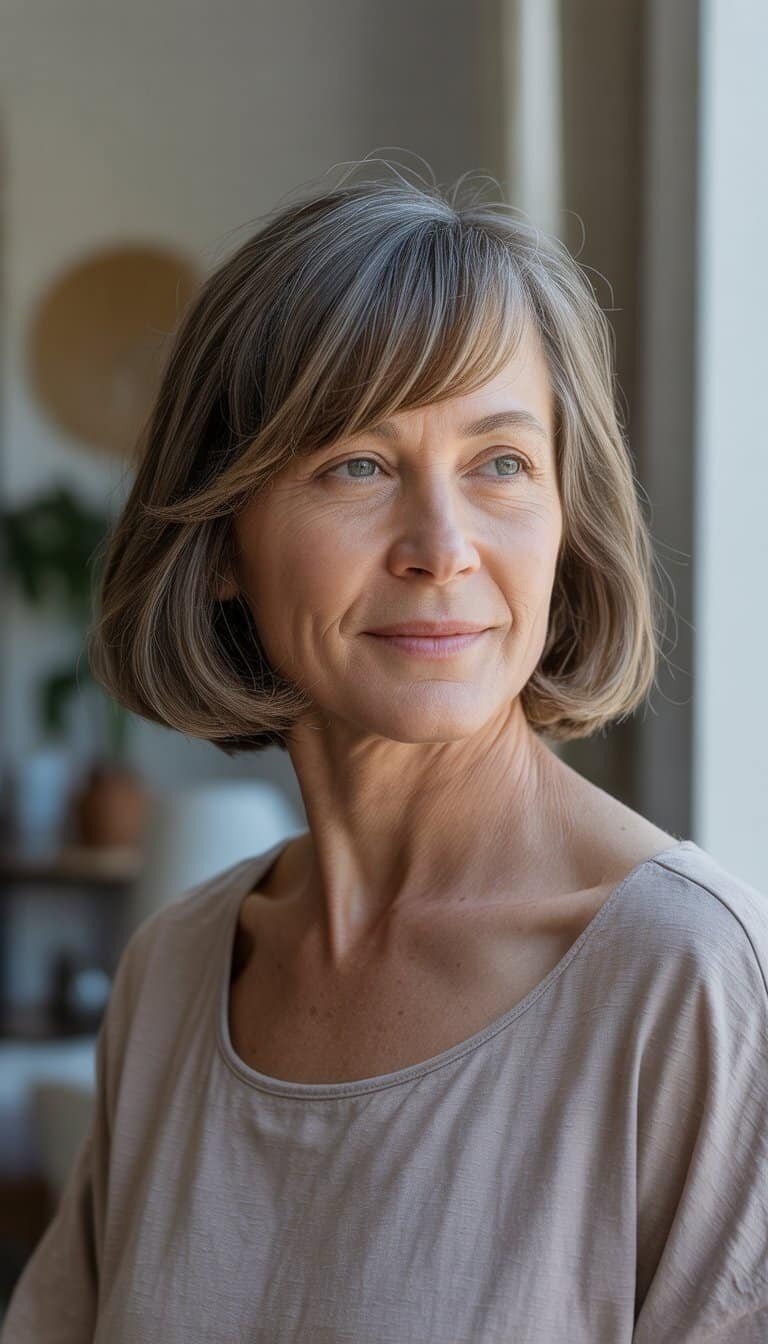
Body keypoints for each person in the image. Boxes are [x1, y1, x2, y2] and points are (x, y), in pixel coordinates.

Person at [3, 161, 767, 1343]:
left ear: (566, 523)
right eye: (358, 463)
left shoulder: (691, 983)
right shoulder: (177, 973)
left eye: (500, 462)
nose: (443, 546)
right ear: (218, 541)